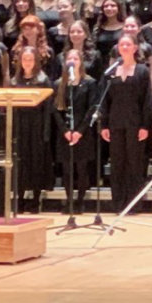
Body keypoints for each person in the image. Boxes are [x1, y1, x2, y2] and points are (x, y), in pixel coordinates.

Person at [97, 35, 151, 213]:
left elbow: (147, 100)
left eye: (128, 44)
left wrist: (145, 125)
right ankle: (118, 203)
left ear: (135, 48)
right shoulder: (111, 71)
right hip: (115, 122)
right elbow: (105, 100)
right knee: (117, 163)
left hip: (135, 123)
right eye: (122, 44)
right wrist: (103, 125)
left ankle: (134, 203)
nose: (125, 47)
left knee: (134, 163)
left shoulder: (143, 70)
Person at [10, 45, 55, 213]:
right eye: (24, 59)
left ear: (36, 61)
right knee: (19, 163)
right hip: (20, 125)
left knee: (36, 163)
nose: (27, 62)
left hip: (37, 125)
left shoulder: (43, 80)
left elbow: (48, 109)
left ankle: (36, 200)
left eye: (30, 59)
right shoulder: (14, 81)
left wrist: (45, 132)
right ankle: (19, 199)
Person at [57, 49, 99, 209]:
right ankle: (69, 201)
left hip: (83, 132)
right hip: (65, 133)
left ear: (81, 61)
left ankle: (80, 201)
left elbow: (91, 108)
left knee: (82, 168)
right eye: (69, 58)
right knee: (67, 169)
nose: (72, 60)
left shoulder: (89, 83)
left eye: (76, 58)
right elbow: (55, 110)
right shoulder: (60, 84)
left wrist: (80, 131)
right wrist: (65, 130)